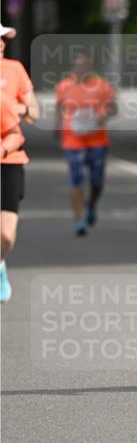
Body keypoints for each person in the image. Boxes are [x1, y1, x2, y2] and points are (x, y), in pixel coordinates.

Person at [55, 51, 117, 236]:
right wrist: (57, 128)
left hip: (97, 140)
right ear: (73, 66)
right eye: (78, 65)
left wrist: (102, 116)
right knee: (76, 178)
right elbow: (59, 108)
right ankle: (79, 219)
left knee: (97, 180)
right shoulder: (64, 86)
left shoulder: (102, 85)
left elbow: (113, 107)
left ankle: (91, 204)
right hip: (72, 140)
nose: (81, 68)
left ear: (91, 67)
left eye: (85, 65)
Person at [0, 23, 39, 303]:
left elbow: (33, 113)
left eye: (3, 39)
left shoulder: (14, 70)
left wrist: (18, 108)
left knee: (5, 234)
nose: (1, 43)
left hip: (9, 157)